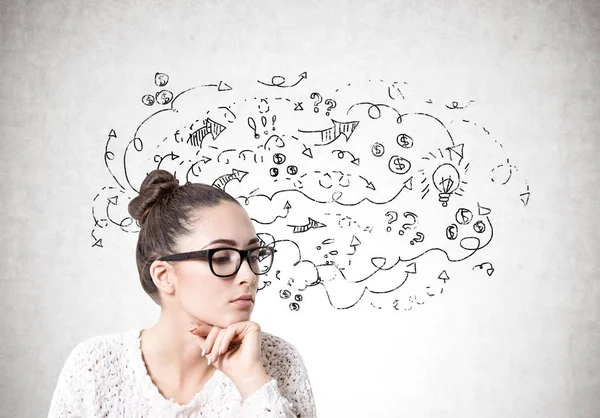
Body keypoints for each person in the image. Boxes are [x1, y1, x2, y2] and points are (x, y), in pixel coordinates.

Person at [48, 169, 317, 417]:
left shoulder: (277, 362)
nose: (249, 276)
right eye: (222, 257)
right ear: (164, 276)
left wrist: (252, 382)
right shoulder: (94, 367)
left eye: (254, 255)